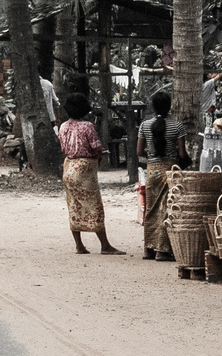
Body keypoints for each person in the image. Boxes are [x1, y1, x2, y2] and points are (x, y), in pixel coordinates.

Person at [57, 92, 125, 255]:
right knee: (94, 205)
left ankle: (79, 245)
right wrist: (100, 156)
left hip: (68, 166)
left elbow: (63, 148)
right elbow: (95, 148)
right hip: (84, 169)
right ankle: (105, 245)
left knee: (73, 205)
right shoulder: (87, 126)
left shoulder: (63, 126)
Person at [136, 90, 187, 261]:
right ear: (169, 106)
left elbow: (139, 151)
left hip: (152, 170)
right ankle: (162, 250)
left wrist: (151, 156)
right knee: (166, 208)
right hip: (170, 170)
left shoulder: (145, 125)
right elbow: (181, 154)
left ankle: (148, 249)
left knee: (150, 209)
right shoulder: (177, 126)